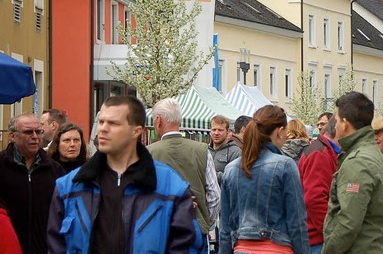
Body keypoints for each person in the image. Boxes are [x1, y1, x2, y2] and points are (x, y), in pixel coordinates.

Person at [47, 95, 201, 253]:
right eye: (101, 122)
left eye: (113, 123)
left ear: (136, 131)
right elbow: (55, 246)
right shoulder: (69, 186)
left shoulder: (171, 187)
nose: (103, 129)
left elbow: (186, 246)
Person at [219, 105, 309, 253]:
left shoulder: (231, 169)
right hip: (277, 248)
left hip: (241, 248)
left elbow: (225, 228)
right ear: (279, 132)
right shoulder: (285, 165)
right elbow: (297, 224)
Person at [322, 92, 383, 254]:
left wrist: (329, 251)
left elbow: (348, 223)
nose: (336, 124)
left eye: (337, 119)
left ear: (345, 123)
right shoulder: (370, 153)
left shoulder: (358, 161)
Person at [148, 98, 221, 253]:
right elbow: (214, 195)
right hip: (195, 227)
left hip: (160, 229)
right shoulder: (202, 150)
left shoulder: (148, 153)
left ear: (158, 121)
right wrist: (205, 220)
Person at [0, 113, 65, 254]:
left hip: (45, 249)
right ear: (12, 136)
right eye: (29, 132)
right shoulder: (1, 165)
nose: (35, 136)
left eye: (38, 131)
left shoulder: (55, 170)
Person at [299, 116, 340, 254]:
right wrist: (332, 235)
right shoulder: (320, 153)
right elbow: (314, 199)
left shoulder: (324, 150)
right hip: (316, 240)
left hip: (316, 237)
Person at [209, 115, 241, 185]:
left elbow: (235, 179)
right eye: (214, 129)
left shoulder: (236, 153)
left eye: (220, 130)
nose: (216, 133)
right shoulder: (205, 150)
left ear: (227, 131)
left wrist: (211, 175)